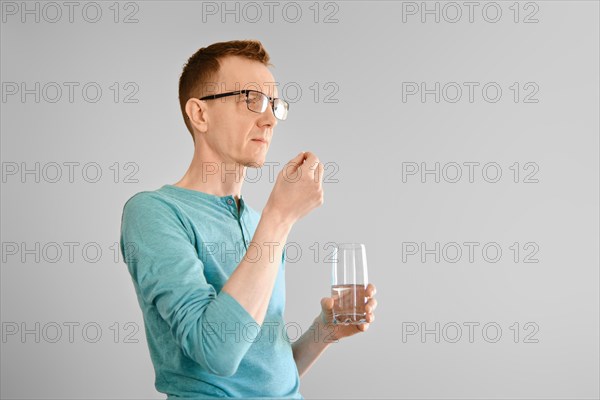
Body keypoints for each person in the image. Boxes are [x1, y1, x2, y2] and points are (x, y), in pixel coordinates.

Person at [119, 39, 378, 399]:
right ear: (200, 114)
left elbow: (263, 373)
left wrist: (326, 330)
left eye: (274, 104)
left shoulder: (261, 224)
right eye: (251, 99)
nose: (270, 118)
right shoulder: (155, 213)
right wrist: (281, 216)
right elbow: (218, 353)